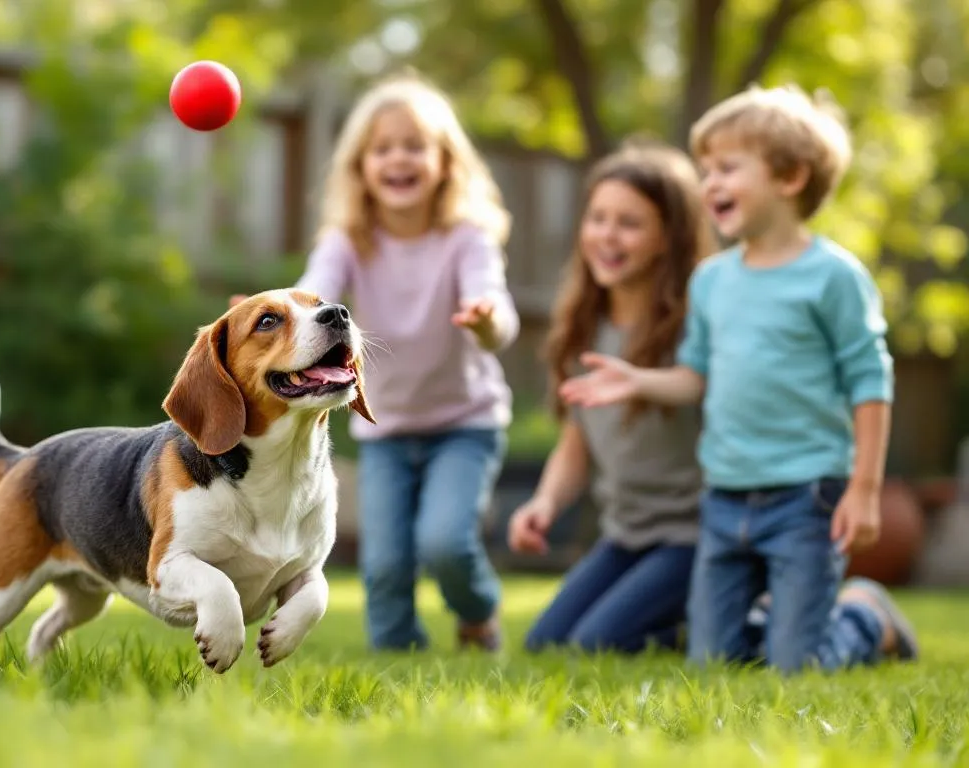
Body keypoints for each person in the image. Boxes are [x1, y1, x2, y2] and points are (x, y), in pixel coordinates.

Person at [559, 83, 918, 672]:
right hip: (723, 500)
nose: (711, 184)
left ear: (790, 177)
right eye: (706, 170)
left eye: (728, 167)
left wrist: (865, 488)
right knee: (714, 664)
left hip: (807, 499)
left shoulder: (833, 277)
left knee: (794, 669)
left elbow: (870, 383)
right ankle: (796, 623)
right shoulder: (712, 281)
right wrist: (641, 380)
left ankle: (864, 620)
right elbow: (694, 377)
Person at [262, 71, 520, 652]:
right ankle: (399, 659)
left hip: (465, 423)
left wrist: (486, 320)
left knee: (446, 544)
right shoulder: (347, 240)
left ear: (444, 162)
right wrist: (272, 311)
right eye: (383, 149)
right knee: (384, 566)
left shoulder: (466, 237)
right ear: (361, 167)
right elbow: (313, 293)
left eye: (414, 146)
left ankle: (478, 613)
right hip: (386, 430)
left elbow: (499, 314)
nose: (398, 159)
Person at [507, 140, 717, 654]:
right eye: (598, 217)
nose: (607, 234)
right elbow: (576, 440)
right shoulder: (584, 326)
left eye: (630, 223)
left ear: (670, 237)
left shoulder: (695, 326)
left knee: (597, 643)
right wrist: (546, 502)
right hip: (626, 535)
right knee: (546, 645)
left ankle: (765, 618)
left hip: (695, 537)